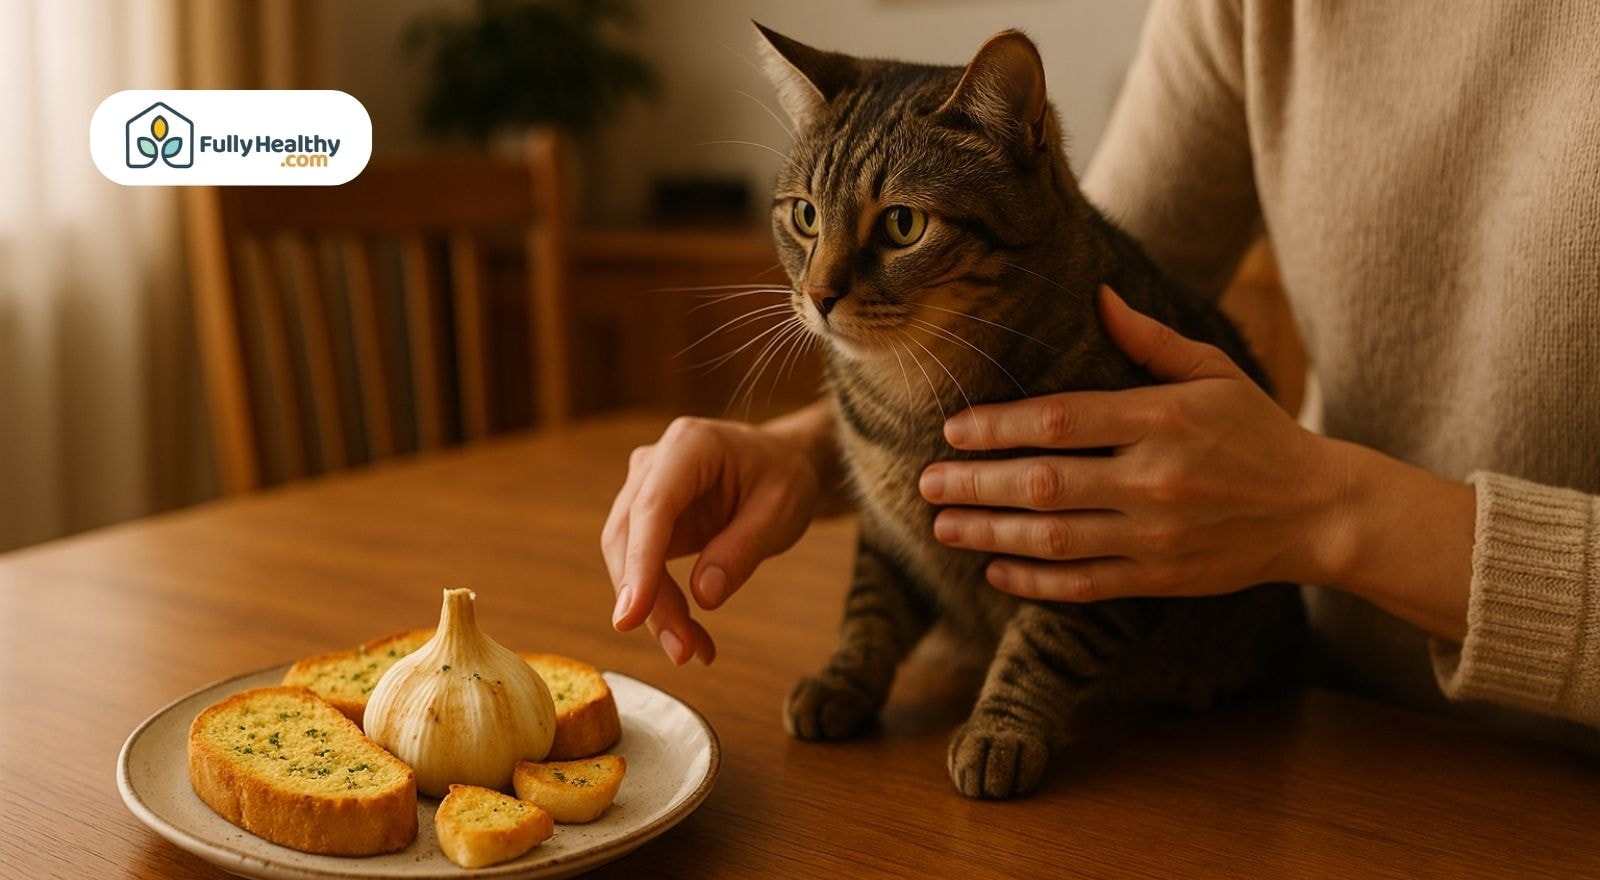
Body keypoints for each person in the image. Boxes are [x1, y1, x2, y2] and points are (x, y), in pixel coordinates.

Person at [602, 1, 1600, 747]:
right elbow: (1075, 269)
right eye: (805, 225)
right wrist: (804, 456)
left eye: (895, 228)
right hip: (1327, 722)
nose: (818, 284)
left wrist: (1329, 513)